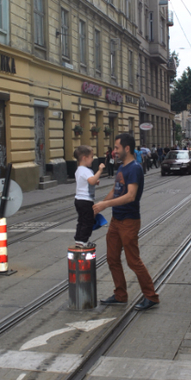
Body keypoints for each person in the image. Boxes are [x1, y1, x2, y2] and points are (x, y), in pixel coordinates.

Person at [93, 132, 159, 311]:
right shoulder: (122, 167)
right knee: (112, 258)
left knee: (133, 261)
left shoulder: (135, 168)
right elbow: (116, 190)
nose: (114, 151)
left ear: (127, 148)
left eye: (117, 148)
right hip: (116, 220)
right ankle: (120, 295)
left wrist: (105, 204)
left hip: (129, 221)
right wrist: (100, 206)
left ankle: (151, 296)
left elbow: (130, 196)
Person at [73, 145, 105, 247]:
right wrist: (99, 171)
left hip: (78, 200)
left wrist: (95, 181)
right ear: (84, 158)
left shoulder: (79, 170)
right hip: (86, 200)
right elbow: (91, 181)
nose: (93, 159)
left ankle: (78, 239)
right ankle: (83, 241)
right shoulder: (86, 170)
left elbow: (87, 182)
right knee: (88, 221)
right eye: (91, 157)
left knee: (81, 220)